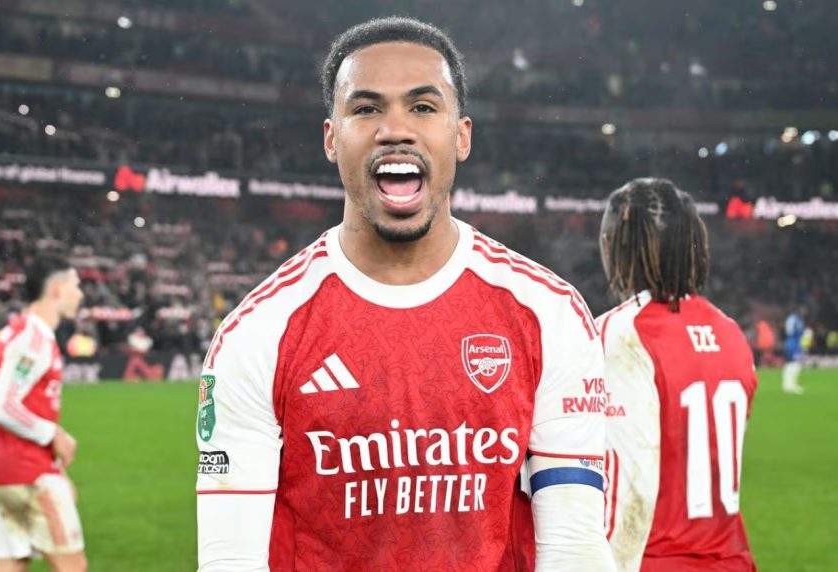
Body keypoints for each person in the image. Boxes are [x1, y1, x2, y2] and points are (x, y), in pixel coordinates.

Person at [197, 16, 614, 571]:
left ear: (461, 135)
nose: (395, 129)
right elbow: (231, 561)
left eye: (422, 106)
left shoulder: (548, 314)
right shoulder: (258, 334)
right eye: (367, 109)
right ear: (331, 138)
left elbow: (575, 551)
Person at [597, 178, 757, 571]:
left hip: (656, 561)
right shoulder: (731, 333)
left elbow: (628, 490)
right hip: (732, 561)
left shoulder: (621, 333)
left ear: (614, 245)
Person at [0, 256, 87, 572]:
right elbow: (0, 404)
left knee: (11, 562)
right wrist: (53, 434)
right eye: (75, 286)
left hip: (0, 471)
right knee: (73, 567)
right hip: (28, 472)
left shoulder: (17, 331)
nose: (80, 294)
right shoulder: (34, 336)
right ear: (56, 289)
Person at [782, 308, 806, 394]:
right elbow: (796, 332)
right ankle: (791, 385)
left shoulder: (791, 318)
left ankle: (788, 385)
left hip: (791, 343)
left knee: (791, 363)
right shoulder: (795, 319)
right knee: (795, 363)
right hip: (794, 344)